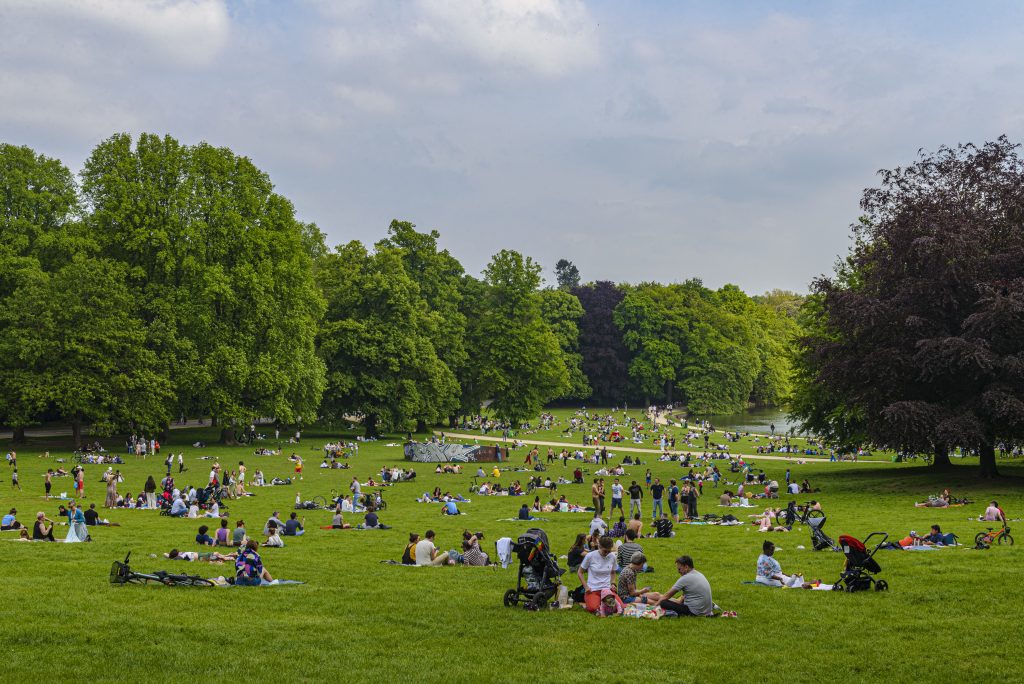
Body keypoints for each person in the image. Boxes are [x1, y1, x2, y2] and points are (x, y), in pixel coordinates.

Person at [578, 536, 617, 613]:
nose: (607, 553)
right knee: (593, 608)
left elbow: (613, 572)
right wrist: (586, 587)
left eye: (609, 551)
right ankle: (593, 601)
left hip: (606, 589)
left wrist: (613, 583)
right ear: (599, 546)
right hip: (592, 589)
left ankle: (601, 602)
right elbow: (580, 572)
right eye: (605, 551)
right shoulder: (590, 556)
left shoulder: (612, 556)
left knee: (619, 607)